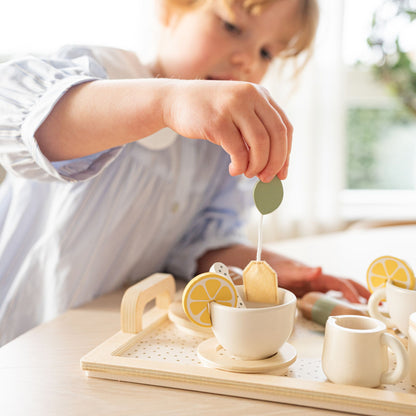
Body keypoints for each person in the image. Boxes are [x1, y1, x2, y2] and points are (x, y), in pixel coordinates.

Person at [0, 0, 369, 346]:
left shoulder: (213, 155)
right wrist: (168, 101)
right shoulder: (104, 78)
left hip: (106, 339)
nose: (247, 61)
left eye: (266, 52)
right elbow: (21, 118)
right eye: (231, 26)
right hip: (18, 333)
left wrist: (267, 267)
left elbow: (197, 244)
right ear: (172, 9)